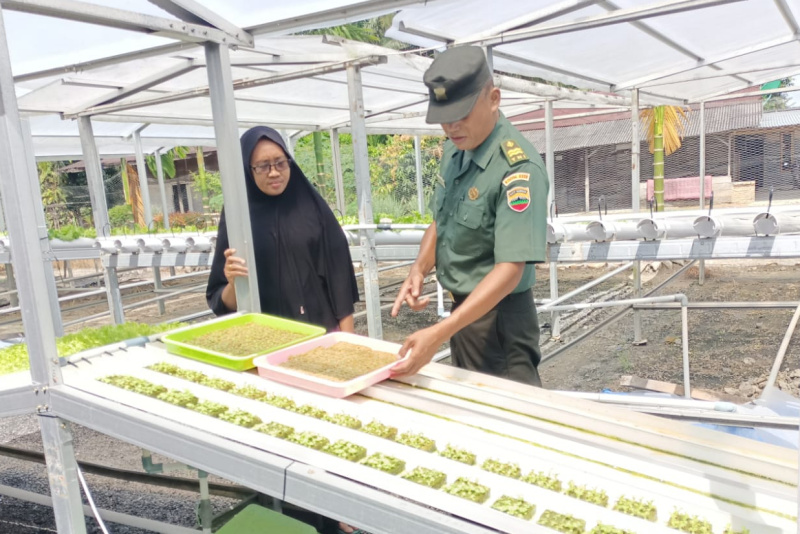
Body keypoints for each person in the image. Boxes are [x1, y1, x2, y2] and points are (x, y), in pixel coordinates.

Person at [391, 45, 549, 386]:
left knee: (512, 421)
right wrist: (419, 268)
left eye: (461, 114)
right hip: (463, 314)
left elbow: (510, 269)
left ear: (494, 98)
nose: (451, 127)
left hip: (499, 321)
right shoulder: (457, 148)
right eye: (444, 118)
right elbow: (443, 218)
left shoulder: (518, 168)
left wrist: (438, 333)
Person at [206, 126, 359, 332]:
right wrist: (234, 284)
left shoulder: (313, 208)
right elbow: (223, 304)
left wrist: (346, 341)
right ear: (247, 168)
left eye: (280, 163)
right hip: (266, 340)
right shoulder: (237, 218)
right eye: (262, 166)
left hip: (322, 335)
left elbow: (339, 279)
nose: (274, 172)